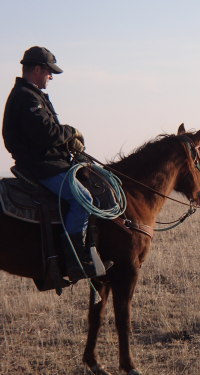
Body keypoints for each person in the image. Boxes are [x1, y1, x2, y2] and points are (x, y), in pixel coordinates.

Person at [2, 46, 109, 282]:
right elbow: (47, 134)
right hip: (41, 167)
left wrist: (67, 146)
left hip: (48, 162)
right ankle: (75, 258)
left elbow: (44, 136)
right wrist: (71, 132)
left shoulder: (32, 96)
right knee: (83, 199)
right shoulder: (26, 98)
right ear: (38, 70)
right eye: (49, 71)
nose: (51, 76)